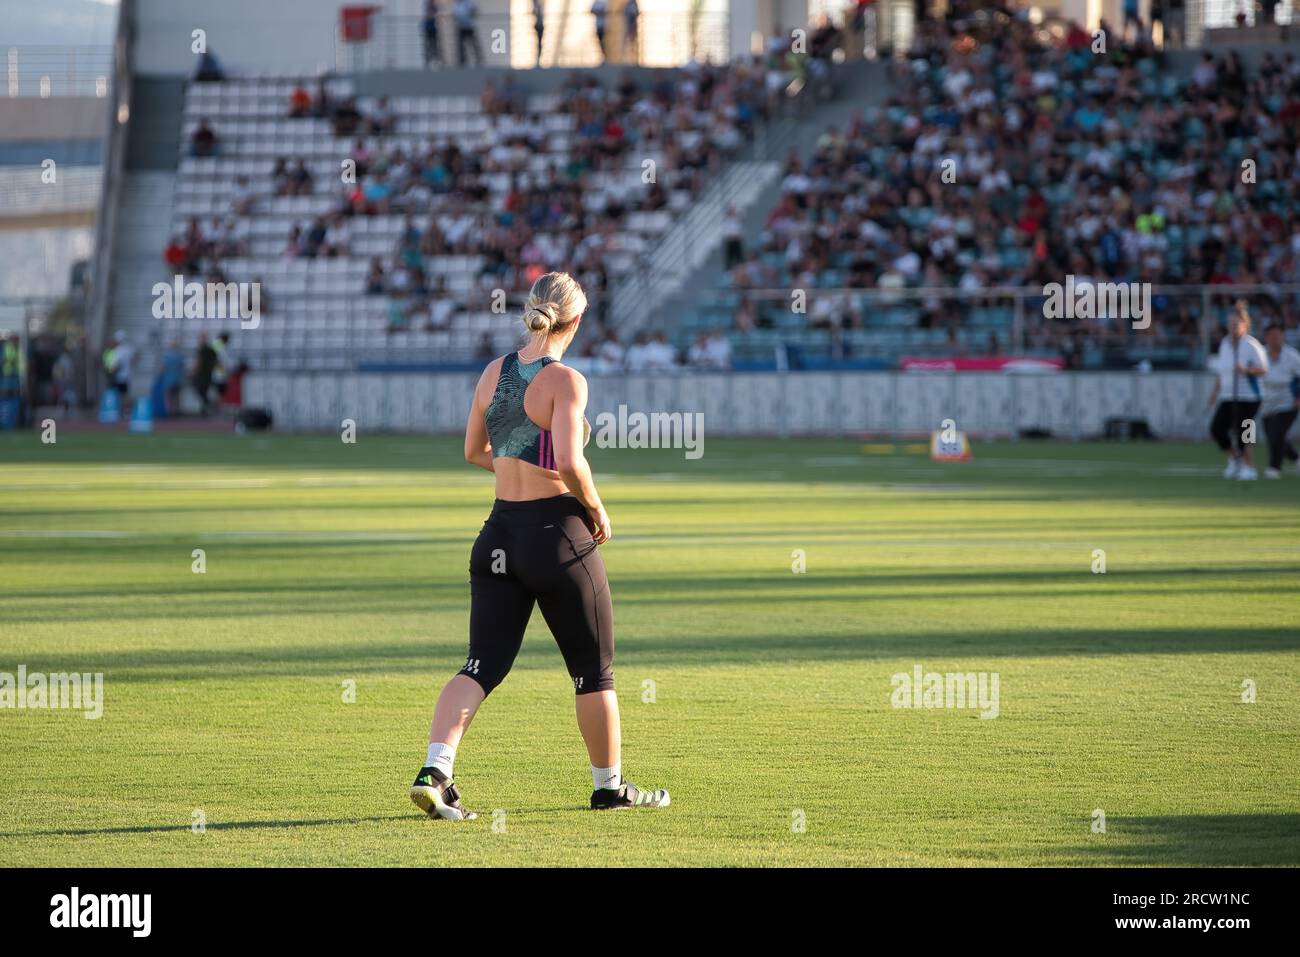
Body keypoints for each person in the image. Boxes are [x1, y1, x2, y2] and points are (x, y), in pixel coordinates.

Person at [410, 271, 670, 820]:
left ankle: (435, 771)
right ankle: (609, 787)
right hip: (557, 536)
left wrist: (516, 465)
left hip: (498, 534)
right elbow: (573, 463)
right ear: (575, 322)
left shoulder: (492, 371)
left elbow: (473, 451)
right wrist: (596, 507)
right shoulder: (566, 381)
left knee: (480, 665)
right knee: (592, 670)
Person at [1207, 302, 1268, 481]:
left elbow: (1264, 369)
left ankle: (1250, 467)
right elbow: (1221, 372)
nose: (1233, 327)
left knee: (1245, 431)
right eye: (1230, 324)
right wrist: (1214, 394)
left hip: (1249, 396)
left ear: (1244, 325)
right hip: (1228, 396)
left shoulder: (1251, 345)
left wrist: (1246, 370)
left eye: (1236, 324)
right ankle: (1236, 459)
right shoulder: (1225, 344)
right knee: (1217, 429)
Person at [1260, 324, 1300, 478]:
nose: (1275, 339)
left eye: (1278, 336)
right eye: (1271, 336)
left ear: (1283, 337)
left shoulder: (1292, 356)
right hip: (1266, 404)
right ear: (1266, 337)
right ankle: (1296, 458)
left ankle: (1274, 468)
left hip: (1288, 403)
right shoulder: (1261, 354)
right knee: (1274, 437)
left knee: (1277, 431)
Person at [454, 0, 482, 67]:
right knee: (460, 46)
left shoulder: (468, 2)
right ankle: (462, 61)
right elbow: (456, 15)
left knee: (474, 44)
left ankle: (478, 60)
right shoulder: (457, 4)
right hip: (461, 27)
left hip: (469, 27)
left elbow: (475, 10)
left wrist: (470, 15)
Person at [422, 0, 444, 68]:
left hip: (433, 29)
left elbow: (437, 13)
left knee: (435, 45)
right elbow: (429, 15)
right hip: (428, 28)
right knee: (428, 45)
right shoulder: (428, 5)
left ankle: (436, 60)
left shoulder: (434, 5)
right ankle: (428, 60)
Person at [532, 0, 545, 67]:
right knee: (538, 44)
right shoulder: (537, 4)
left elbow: (537, 12)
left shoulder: (538, 5)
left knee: (539, 44)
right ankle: (538, 59)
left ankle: (538, 59)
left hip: (539, 26)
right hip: (538, 25)